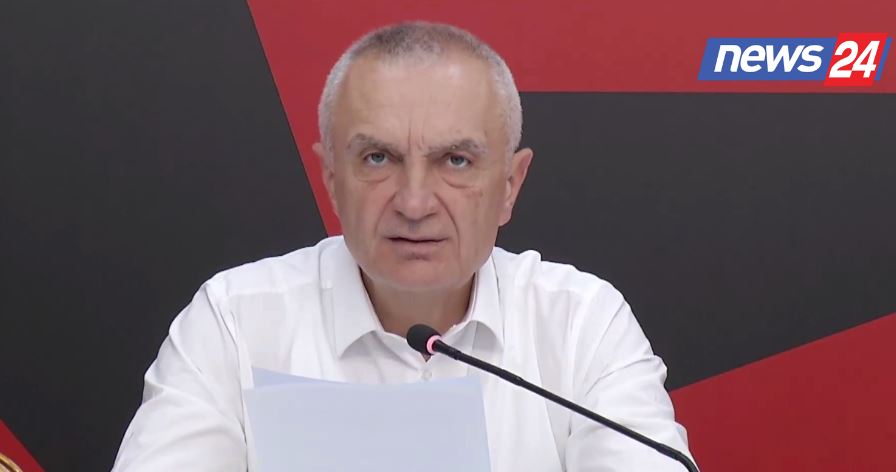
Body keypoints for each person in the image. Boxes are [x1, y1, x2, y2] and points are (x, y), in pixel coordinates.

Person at [113, 21, 696, 471]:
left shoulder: (581, 323)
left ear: (509, 186)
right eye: (378, 158)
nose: (415, 203)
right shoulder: (235, 322)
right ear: (331, 179)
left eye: (455, 161)